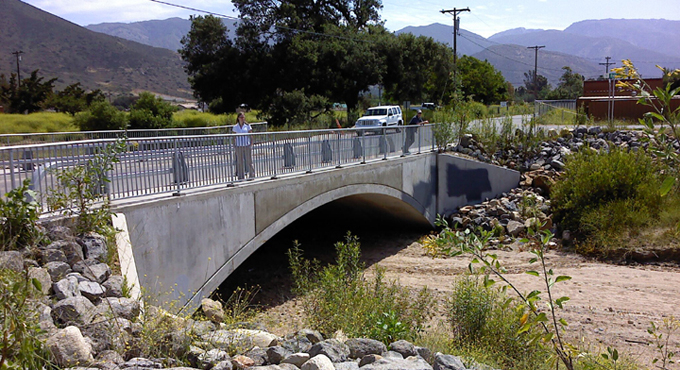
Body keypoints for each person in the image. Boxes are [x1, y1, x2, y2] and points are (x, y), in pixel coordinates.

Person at [233, 112, 255, 180]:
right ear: (238, 118)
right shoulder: (235, 127)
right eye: (241, 117)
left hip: (246, 145)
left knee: (249, 161)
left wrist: (251, 143)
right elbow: (234, 137)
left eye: (243, 117)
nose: (242, 119)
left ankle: (252, 175)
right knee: (240, 161)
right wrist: (234, 145)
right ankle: (241, 176)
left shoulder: (247, 126)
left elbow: (251, 135)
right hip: (239, 145)